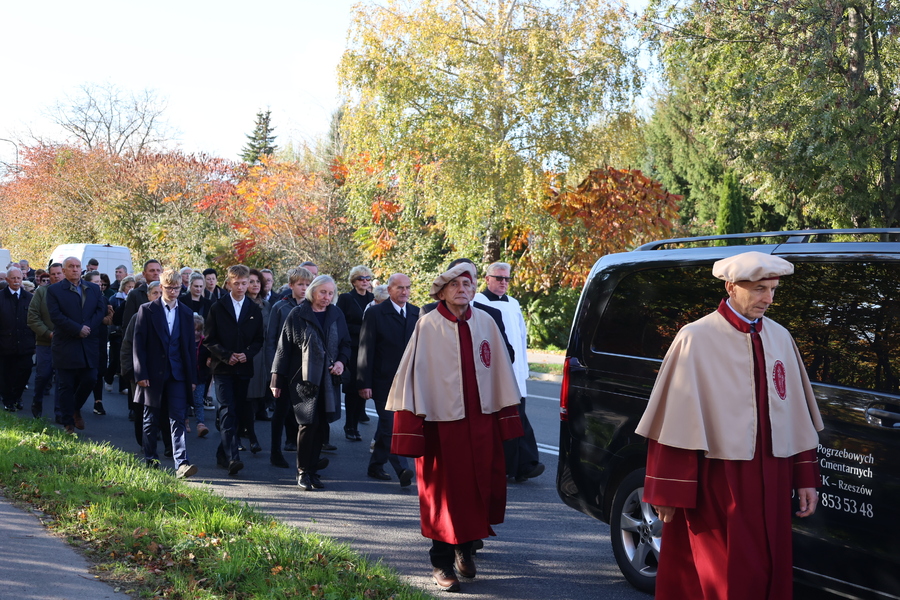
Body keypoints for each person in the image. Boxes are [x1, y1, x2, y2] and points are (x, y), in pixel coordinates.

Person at [635, 251, 823, 600]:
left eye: (773, 290)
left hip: (774, 477)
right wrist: (667, 491)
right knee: (719, 577)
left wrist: (805, 477)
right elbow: (673, 422)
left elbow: (795, 415)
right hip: (718, 482)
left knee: (769, 572)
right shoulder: (695, 337)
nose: (768, 299)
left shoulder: (780, 337)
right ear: (731, 287)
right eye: (759, 289)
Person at [388, 263, 523, 592]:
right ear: (442, 291)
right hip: (442, 426)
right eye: (455, 284)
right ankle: (441, 561)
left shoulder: (486, 322)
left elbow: (501, 371)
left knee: (477, 488)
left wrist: (505, 419)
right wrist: (412, 427)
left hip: (481, 422)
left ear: (475, 288)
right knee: (444, 494)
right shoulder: (427, 325)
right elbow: (412, 379)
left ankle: (465, 549)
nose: (462, 289)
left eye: (468, 284)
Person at [270, 275, 350, 491]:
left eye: (331, 293)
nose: (327, 297)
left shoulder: (336, 314)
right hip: (302, 378)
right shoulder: (298, 314)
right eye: (323, 292)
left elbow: (346, 344)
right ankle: (303, 472)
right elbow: (283, 348)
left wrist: (341, 362)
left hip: (329, 379)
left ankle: (313, 470)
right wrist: (276, 380)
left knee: (322, 425)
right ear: (312, 292)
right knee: (307, 424)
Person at [474, 262, 544, 482]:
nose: (504, 282)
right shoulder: (478, 302)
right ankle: (519, 465)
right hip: (496, 371)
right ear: (487, 279)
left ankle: (522, 465)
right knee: (507, 419)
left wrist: (524, 368)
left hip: (517, 371)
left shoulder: (513, 303)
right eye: (499, 278)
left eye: (507, 279)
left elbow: (521, 338)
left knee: (517, 416)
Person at [132, 268, 199, 478]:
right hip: (152, 373)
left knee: (178, 417)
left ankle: (182, 463)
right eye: (169, 288)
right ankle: (151, 459)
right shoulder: (147, 310)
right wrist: (140, 373)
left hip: (178, 373)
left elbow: (189, 347)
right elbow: (138, 344)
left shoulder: (186, 312)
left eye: (177, 288)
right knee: (150, 419)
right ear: (161, 287)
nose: (173, 292)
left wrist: (192, 378)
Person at [204, 264, 264, 475]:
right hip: (223, 368)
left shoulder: (254, 309)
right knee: (227, 410)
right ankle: (232, 457)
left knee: (237, 411)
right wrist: (226, 355)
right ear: (228, 283)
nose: (240, 287)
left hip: (244, 368)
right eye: (236, 283)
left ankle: (223, 453)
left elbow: (259, 339)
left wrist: (247, 354)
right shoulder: (218, 307)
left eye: (244, 283)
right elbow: (209, 339)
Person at [358, 273, 416, 486]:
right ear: (389, 290)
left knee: (387, 426)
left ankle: (375, 465)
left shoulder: (416, 313)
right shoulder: (375, 313)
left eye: (407, 287)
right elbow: (366, 349)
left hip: (407, 381)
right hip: (383, 380)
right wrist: (364, 382)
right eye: (400, 287)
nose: (404, 291)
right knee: (390, 424)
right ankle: (402, 469)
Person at [45, 257, 106, 433]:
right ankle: (68, 423)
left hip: (88, 342)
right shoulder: (54, 290)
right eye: (71, 266)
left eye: (77, 266)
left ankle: (75, 408)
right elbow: (56, 315)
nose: (75, 269)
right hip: (66, 343)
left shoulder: (93, 288)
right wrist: (77, 329)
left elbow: (100, 310)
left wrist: (87, 328)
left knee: (90, 378)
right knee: (66, 384)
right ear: (64, 271)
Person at [265, 267, 313, 467]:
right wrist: (273, 371)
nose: (304, 288)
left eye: (308, 284)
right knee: (281, 411)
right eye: (300, 284)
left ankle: (306, 454)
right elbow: (271, 340)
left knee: (305, 413)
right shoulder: (280, 307)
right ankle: (275, 452)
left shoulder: (314, 306)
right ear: (291, 285)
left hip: (306, 367)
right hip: (284, 366)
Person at [337, 265, 375, 442]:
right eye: (361, 278)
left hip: (368, 348)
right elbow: (340, 323)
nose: (365, 281)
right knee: (352, 388)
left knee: (365, 386)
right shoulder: (346, 298)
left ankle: (358, 420)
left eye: (368, 278)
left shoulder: (373, 298)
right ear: (353, 281)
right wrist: (362, 330)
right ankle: (349, 425)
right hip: (352, 348)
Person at [27, 262, 65, 418]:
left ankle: (60, 411)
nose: (56, 276)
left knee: (63, 379)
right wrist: (48, 333)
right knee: (43, 375)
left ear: (64, 273)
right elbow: (32, 317)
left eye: (59, 273)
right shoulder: (42, 292)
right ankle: (37, 401)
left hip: (66, 343)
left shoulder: (70, 292)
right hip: (45, 342)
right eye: (53, 274)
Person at [242, 268, 270, 450]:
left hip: (263, 353)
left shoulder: (267, 305)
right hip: (247, 353)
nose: (255, 285)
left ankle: (248, 427)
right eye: (251, 281)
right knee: (246, 394)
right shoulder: (242, 304)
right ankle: (247, 431)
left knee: (258, 392)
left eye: (258, 281)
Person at [0, 267, 35, 412]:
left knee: (25, 371)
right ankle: (8, 400)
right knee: (6, 374)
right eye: (13, 278)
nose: (16, 281)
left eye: (18, 278)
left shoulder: (29, 298)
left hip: (25, 343)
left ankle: (17, 397)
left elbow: (34, 319)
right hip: (5, 344)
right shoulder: (1, 297)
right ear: (7, 279)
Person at [82, 270, 113, 416]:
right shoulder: (81, 298)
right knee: (86, 373)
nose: (99, 285)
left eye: (100, 282)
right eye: (96, 282)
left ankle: (98, 401)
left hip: (100, 338)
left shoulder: (104, 299)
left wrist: (109, 315)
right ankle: (77, 401)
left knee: (99, 371)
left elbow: (109, 320)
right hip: (86, 337)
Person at [122, 259, 162, 328]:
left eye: (158, 270)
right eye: (152, 270)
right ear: (144, 274)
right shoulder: (135, 294)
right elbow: (128, 322)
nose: (156, 273)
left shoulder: (169, 293)